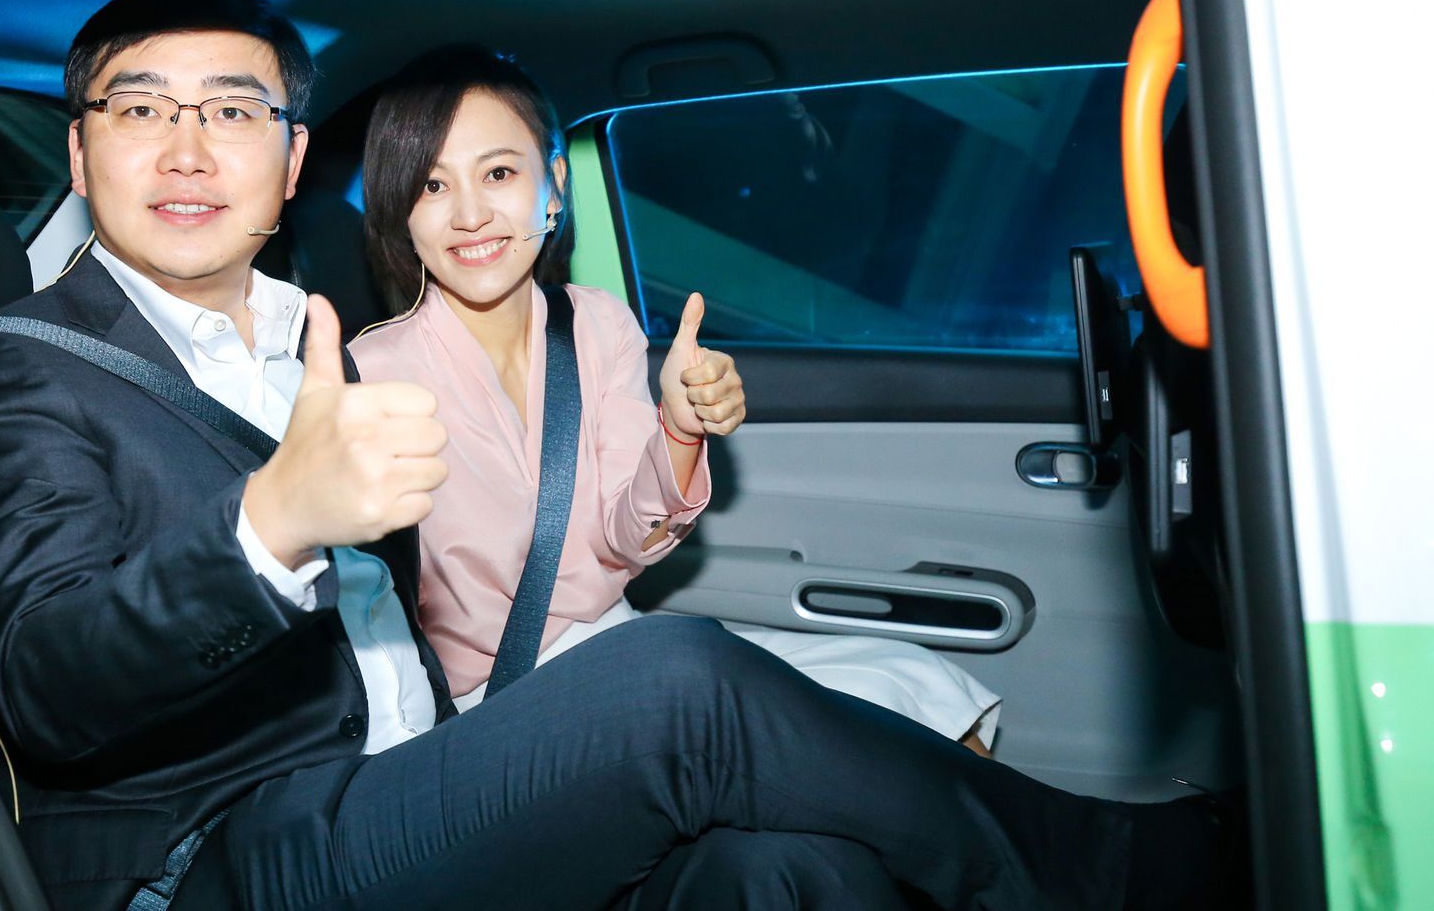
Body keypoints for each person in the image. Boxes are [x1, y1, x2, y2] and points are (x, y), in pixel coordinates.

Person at [0, 0, 1236, 911]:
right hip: (220, 853)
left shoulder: (308, 336)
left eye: (232, 111)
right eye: (142, 110)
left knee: (792, 871)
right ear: (80, 155)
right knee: (670, 679)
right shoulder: (8, 372)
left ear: (292, 157)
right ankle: (1110, 876)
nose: (189, 149)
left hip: (413, 785)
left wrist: (670, 434)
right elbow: (46, 681)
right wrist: (273, 526)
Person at [348, 46, 1002, 754]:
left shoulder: (596, 323)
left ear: (554, 186)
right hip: (494, 705)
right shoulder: (366, 377)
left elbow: (626, 540)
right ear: (402, 211)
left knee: (916, 688)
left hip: (624, 643)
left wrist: (680, 433)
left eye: (498, 173)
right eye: (432, 185)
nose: (471, 214)